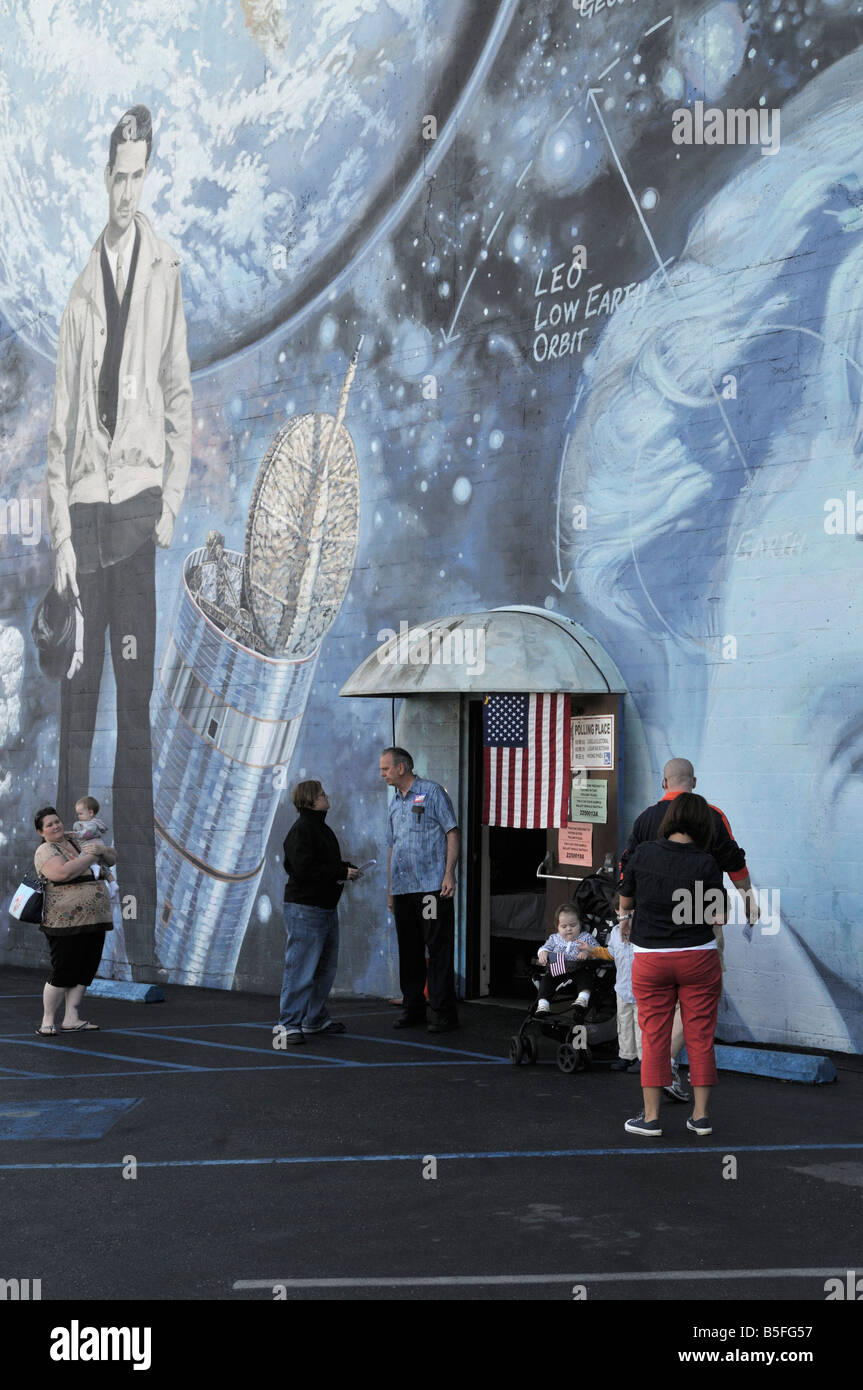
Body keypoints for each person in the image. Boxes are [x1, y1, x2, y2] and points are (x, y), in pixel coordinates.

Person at [45, 103, 192, 983]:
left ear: (149, 176)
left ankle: (140, 944)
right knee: (75, 722)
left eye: (140, 173)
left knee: (131, 730)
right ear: (104, 177)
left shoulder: (166, 266)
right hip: (87, 520)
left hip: (136, 510)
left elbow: (178, 390)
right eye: (118, 173)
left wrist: (169, 504)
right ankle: (71, 926)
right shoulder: (77, 289)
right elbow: (60, 434)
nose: (128, 188)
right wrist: (62, 539)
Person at [617, 793, 726, 1138]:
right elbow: (717, 915)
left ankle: (650, 1120)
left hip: (651, 958)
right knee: (700, 1037)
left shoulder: (644, 852)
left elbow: (626, 896)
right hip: (698, 957)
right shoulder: (707, 862)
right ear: (702, 824)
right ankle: (701, 1117)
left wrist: (625, 916)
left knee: (654, 1037)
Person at [620, 758, 757, 955]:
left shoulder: (645, 818)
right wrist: (749, 902)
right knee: (702, 980)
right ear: (694, 782)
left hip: (651, 927)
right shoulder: (714, 816)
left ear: (664, 783)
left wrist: (625, 914)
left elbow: (626, 867)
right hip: (701, 928)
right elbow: (735, 864)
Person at [380, 746, 459, 1033]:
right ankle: (412, 1007)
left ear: (402, 767)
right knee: (409, 949)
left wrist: (448, 873)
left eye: (386, 769)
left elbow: (452, 831)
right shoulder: (394, 802)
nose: (383, 774)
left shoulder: (433, 792)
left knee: (437, 948)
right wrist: (390, 890)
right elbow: (392, 847)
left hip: (429, 887)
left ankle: (441, 1012)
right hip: (403, 888)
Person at [274, 781, 360, 1045]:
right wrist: (340, 872)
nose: (326, 796)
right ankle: (288, 1025)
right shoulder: (302, 831)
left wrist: (345, 869)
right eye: (322, 794)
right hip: (306, 908)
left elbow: (323, 864)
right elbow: (303, 869)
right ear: (312, 801)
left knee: (323, 968)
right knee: (300, 968)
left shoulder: (320, 828)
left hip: (323, 907)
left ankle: (314, 1019)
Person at [33, 806, 116, 1035]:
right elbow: (62, 873)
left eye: (57, 821)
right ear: (41, 832)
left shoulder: (78, 838)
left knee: (85, 969)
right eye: (49, 824)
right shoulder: (45, 850)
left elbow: (112, 857)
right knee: (64, 970)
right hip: (64, 922)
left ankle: (72, 1018)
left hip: (95, 917)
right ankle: (47, 1021)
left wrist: (101, 849)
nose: (56, 826)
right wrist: (92, 855)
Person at [535, 903, 601, 1015]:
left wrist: (587, 952)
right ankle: (543, 1004)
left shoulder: (586, 937)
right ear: (558, 927)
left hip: (578, 970)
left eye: (573, 925)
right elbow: (544, 947)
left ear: (580, 924)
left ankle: (583, 998)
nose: (569, 929)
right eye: (564, 926)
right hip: (558, 971)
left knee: (586, 976)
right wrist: (543, 953)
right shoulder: (554, 938)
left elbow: (598, 950)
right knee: (546, 980)